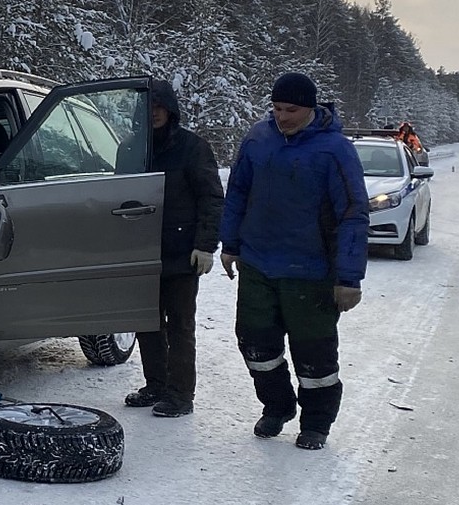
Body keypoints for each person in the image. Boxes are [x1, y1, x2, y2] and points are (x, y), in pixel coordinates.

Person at [218, 72, 368, 451]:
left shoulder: (334, 149)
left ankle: (316, 423)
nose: (282, 116)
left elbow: (353, 213)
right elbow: (237, 192)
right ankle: (277, 406)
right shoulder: (257, 139)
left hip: (311, 272)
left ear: (311, 109)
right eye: (277, 108)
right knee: (255, 344)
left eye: (291, 109)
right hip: (257, 263)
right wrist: (230, 244)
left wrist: (349, 277)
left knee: (314, 354)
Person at [119, 80, 224, 417]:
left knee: (180, 324)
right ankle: (156, 384)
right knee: (148, 322)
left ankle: (180, 394)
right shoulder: (130, 149)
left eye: (160, 107)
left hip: (182, 251)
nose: (154, 114)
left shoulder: (193, 148)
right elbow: (119, 199)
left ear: (171, 109)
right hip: (142, 250)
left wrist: (205, 245)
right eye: (148, 107)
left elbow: (211, 197)